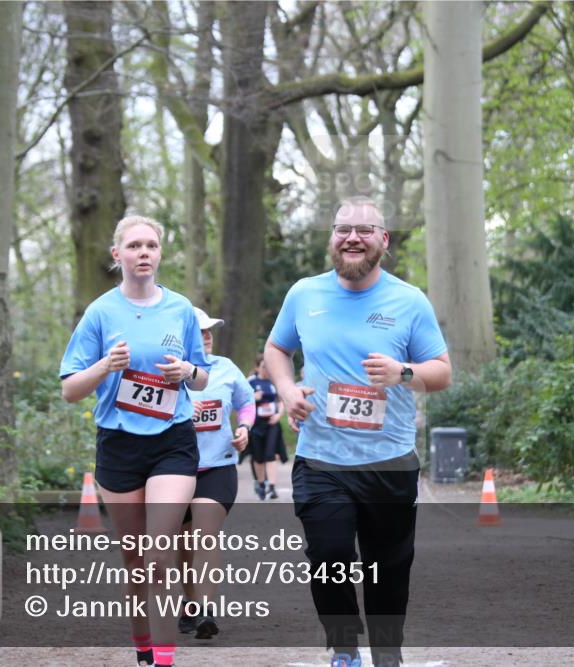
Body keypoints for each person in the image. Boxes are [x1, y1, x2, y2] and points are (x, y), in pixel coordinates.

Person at [265, 196, 452, 667]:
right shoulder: (304, 294)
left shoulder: (409, 301)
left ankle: (387, 653)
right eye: (343, 228)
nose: (352, 237)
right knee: (327, 554)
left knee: (388, 567)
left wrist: (403, 373)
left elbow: (442, 373)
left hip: (388, 461)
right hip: (321, 458)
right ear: (332, 238)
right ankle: (345, 649)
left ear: (382, 241)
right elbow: (276, 349)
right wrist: (287, 390)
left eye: (364, 230)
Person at [60, 215, 209, 667]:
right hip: (119, 445)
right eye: (134, 246)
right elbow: (69, 389)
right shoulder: (101, 312)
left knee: (159, 551)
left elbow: (202, 378)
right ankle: (144, 647)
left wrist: (186, 372)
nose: (144, 253)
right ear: (117, 254)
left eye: (151, 246)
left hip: (172, 442)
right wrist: (105, 366)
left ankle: (164, 660)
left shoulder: (181, 309)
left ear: (160, 254)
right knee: (136, 562)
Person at [176, 307, 255, 639]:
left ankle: (206, 611)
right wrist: (179, 411)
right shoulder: (167, 371)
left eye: (209, 331)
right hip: (175, 469)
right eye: (200, 331)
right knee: (184, 547)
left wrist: (245, 427)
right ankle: (191, 604)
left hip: (218, 467)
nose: (207, 336)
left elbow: (246, 402)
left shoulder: (225, 368)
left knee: (205, 536)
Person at [246, 355, 287, 500]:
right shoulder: (251, 381)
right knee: (258, 457)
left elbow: (281, 401)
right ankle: (261, 483)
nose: (266, 370)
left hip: (272, 423)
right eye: (264, 366)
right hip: (256, 424)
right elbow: (241, 400)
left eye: (268, 366)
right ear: (257, 367)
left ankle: (272, 487)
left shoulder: (273, 381)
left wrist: (278, 415)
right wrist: (253, 397)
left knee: (270, 454)